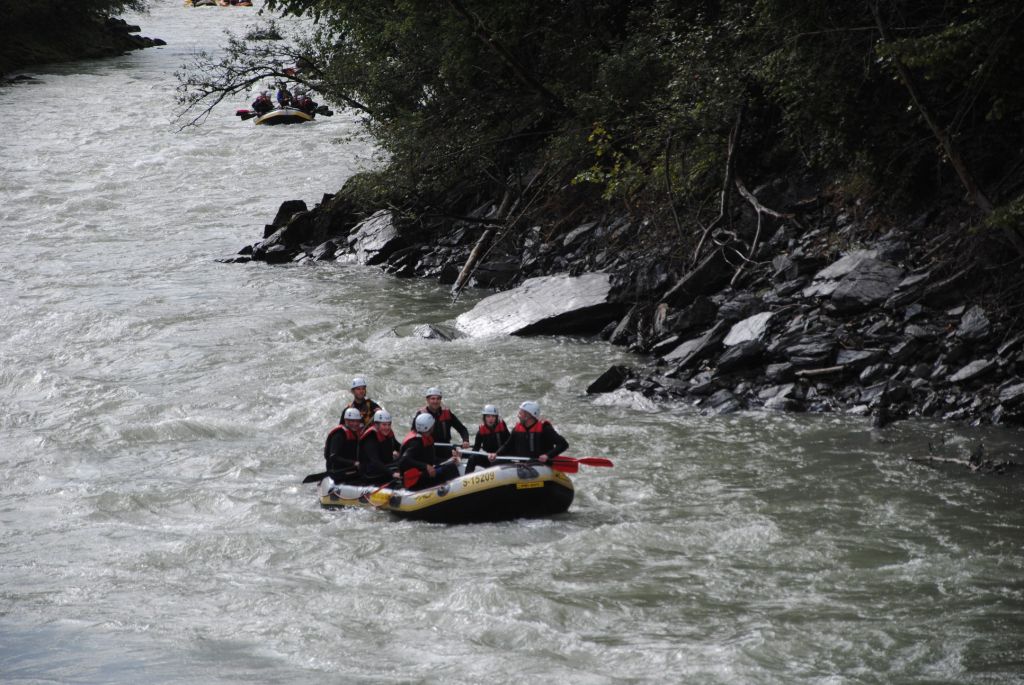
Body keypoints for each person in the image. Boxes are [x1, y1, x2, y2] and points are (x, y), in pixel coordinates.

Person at [490, 401, 569, 466]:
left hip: (541, 464)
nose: (518, 416)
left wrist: (547, 455)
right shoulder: (517, 429)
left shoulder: (545, 429)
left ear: (527, 416)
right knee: (495, 462)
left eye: (520, 413)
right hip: (523, 464)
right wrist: (496, 454)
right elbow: (507, 445)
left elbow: (563, 444)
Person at [399, 413, 460, 490]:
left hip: (424, 474)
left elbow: (432, 460)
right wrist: (425, 466)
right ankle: (458, 490)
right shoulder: (415, 443)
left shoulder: (426, 438)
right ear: (429, 427)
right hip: (415, 481)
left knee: (450, 465)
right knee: (450, 469)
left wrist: (449, 460)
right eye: (433, 424)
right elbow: (403, 460)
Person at [412, 387, 470, 460]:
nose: (435, 401)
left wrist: (465, 440)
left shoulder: (446, 413)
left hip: (445, 446)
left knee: (469, 456)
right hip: (428, 448)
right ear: (427, 400)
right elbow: (414, 434)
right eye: (433, 399)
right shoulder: (421, 414)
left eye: (438, 399)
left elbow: (462, 429)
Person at [358, 409, 400, 483]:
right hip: (369, 472)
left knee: (403, 462)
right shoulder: (370, 437)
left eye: (389, 424)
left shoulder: (389, 433)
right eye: (384, 425)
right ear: (377, 425)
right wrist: (392, 473)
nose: (387, 427)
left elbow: (398, 447)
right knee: (398, 467)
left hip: (384, 465)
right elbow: (375, 461)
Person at [465, 404, 510, 473]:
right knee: (473, 458)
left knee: (494, 463)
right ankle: (467, 477)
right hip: (489, 459)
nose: (490, 419)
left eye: (493, 416)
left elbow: (509, 444)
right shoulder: (481, 432)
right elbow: (475, 450)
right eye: (488, 416)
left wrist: (497, 454)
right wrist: (462, 455)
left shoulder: (503, 428)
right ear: (484, 418)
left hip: (502, 458)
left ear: (496, 418)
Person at [323, 407, 364, 476]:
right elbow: (333, 457)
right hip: (337, 470)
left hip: (352, 468)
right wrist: (353, 463)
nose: (355, 424)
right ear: (346, 421)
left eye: (357, 421)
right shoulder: (339, 434)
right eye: (352, 421)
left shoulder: (357, 432)